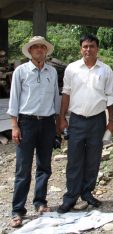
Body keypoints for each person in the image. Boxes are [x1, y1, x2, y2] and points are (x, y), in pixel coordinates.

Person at [57, 34, 113, 213]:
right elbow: (66, 94)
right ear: (80, 48)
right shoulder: (72, 69)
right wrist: (61, 118)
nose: (88, 49)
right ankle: (71, 197)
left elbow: (110, 97)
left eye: (91, 46)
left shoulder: (106, 70)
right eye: (85, 46)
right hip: (76, 120)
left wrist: (111, 120)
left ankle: (87, 193)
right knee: (74, 159)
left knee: (93, 158)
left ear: (97, 48)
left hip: (98, 120)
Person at [7, 36, 60, 227]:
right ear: (30, 51)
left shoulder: (52, 72)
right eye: (35, 47)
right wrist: (14, 126)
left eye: (42, 47)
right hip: (26, 122)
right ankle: (18, 211)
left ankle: (40, 202)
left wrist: (57, 124)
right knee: (23, 169)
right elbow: (14, 100)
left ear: (46, 51)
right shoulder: (21, 71)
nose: (39, 49)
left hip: (46, 123)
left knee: (44, 166)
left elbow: (56, 97)